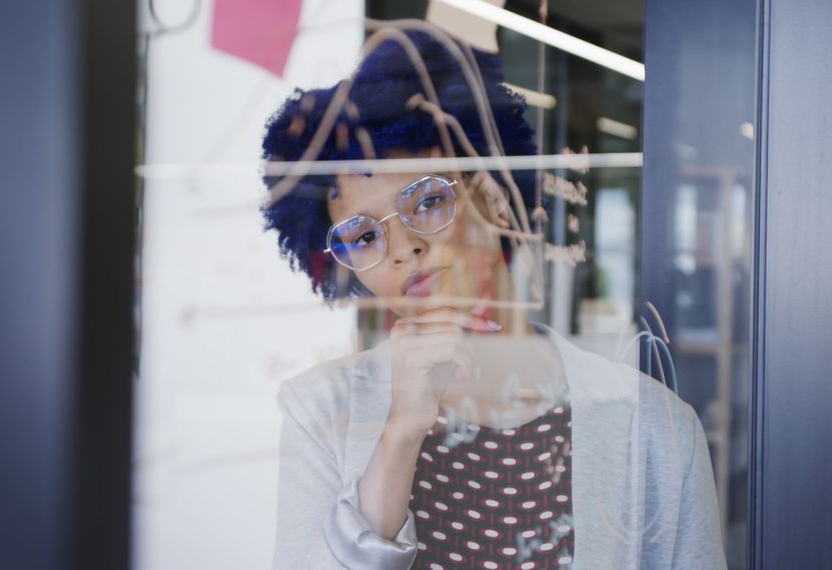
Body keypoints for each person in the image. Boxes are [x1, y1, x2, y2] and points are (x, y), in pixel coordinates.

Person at [261, 26, 725, 570]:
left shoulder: (655, 428)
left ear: (492, 195)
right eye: (363, 237)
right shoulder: (320, 412)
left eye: (427, 200)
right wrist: (400, 435)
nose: (404, 247)